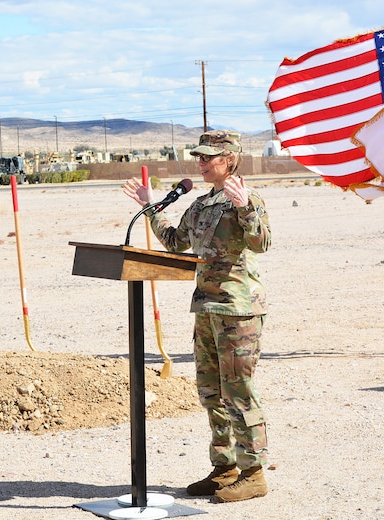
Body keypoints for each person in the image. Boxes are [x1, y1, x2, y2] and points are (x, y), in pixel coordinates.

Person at [123, 130, 271, 503]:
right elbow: (175, 242)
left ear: (230, 160)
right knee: (210, 392)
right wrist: (152, 204)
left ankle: (253, 474)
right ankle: (225, 468)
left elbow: (261, 242)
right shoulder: (202, 205)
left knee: (238, 390)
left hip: (237, 309)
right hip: (205, 306)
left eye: (208, 158)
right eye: (199, 157)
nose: (200, 163)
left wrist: (245, 208)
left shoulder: (247, 199)